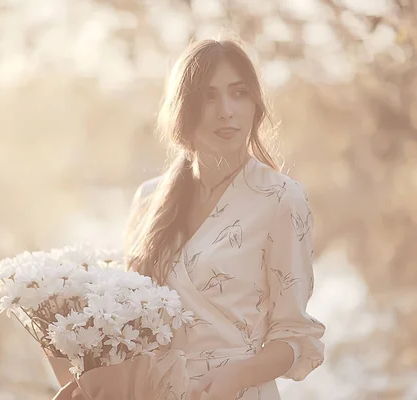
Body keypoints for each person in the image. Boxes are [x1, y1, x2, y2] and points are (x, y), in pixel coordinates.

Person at [52, 37, 325, 400]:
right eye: (208, 96)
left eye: (238, 93)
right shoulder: (149, 198)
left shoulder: (281, 199)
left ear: (255, 104)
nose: (226, 110)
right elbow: (130, 321)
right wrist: (92, 380)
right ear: (183, 108)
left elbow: (293, 337)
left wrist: (237, 376)